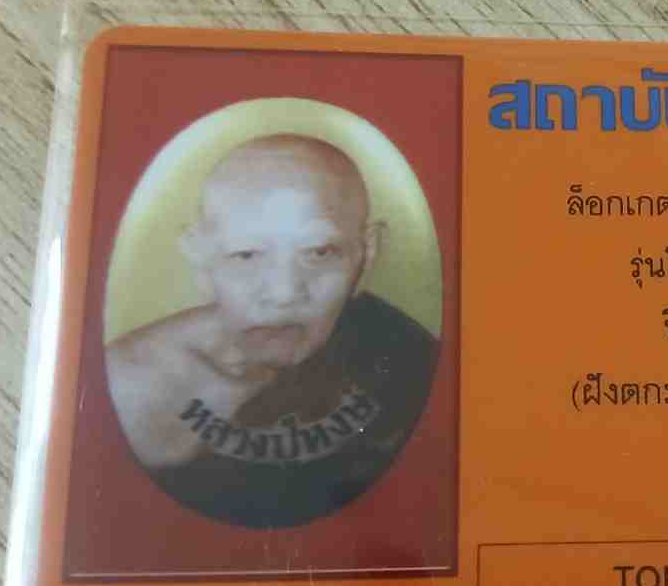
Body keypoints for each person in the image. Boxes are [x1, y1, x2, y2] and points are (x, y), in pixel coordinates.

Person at [105, 134, 439, 528]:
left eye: (320, 253)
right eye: (246, 255)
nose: (284, 293)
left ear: (366, 253)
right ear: (200, 256)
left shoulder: (408, 359)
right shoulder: (131, 387)